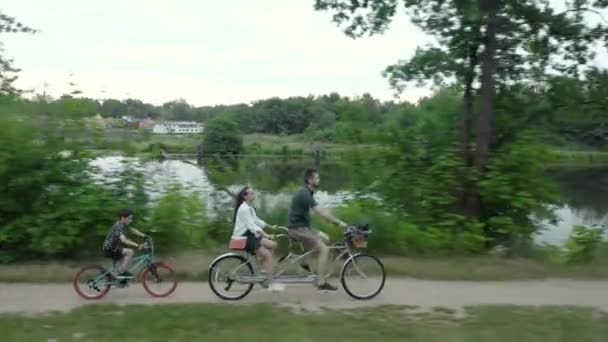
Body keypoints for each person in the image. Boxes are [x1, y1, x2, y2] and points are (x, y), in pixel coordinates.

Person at [287, 168, 348, 291]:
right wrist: (338, 222)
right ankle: (321, 282)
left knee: (326, 238)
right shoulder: (305, 193)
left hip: (303, 228)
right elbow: (320, 211)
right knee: (324, 249)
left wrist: (329, 219)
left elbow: (319, 212)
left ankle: (305, 262)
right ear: (310, 180)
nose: (319, 180)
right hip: (298, 230)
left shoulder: (307, 193)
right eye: (317, 178)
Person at [232, 186, 284, 291]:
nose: (253, 195)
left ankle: (263, 270)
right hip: (244, 237)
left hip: (250, 236)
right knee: (269, 256)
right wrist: (266, 235)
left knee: (273, 245)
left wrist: (271, 227)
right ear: (245, 196)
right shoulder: (244, 209)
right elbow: (252, 226)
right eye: (250, 193)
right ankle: (270, 284)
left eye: (253, 193)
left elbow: (258, 221)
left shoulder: (249, 208)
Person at [102, 209, 147, 278]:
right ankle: (121, 273)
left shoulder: (124, 225)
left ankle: (116, 275)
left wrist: (144, 235)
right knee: (130, 252)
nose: (131, 220)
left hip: (115, 248)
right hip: (110, 248)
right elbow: (124, 240)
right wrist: (137, 245)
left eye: (131, 218)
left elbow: (133, 230)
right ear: (123, 218)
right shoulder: (118, 226)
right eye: (129, 218)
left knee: (126, 258)